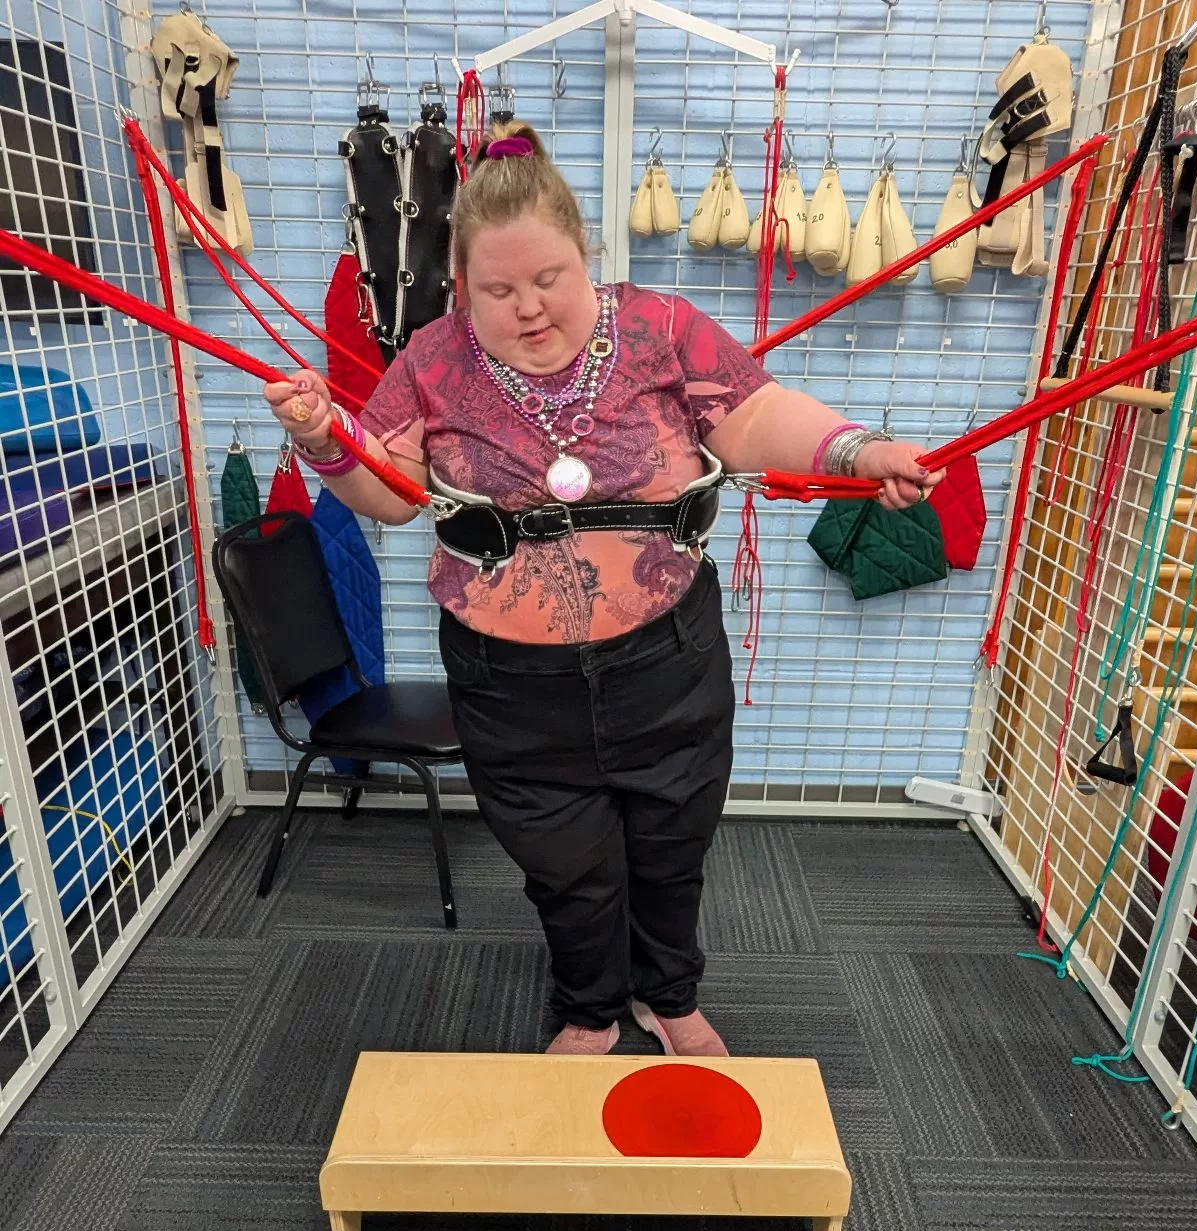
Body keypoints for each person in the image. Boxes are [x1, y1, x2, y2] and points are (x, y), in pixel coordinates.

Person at [264, 122, 941, 1058]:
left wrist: (855, 450)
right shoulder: (431, 358)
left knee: (672, 842)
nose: (529, 308)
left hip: (663, 658)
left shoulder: (662, 328)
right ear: (461, 284)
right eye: (498, 290)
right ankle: (589, 1006)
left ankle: (668, 995)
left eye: (550, 280)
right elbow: (387, 493)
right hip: (510, 681)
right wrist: (322, 437)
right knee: (564, 862)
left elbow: (754, 417)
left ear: (586, 255)